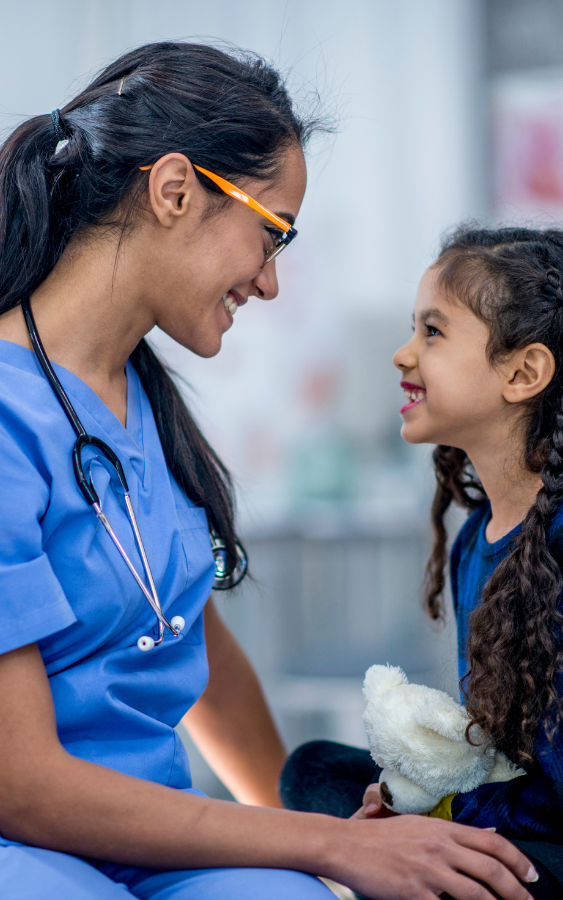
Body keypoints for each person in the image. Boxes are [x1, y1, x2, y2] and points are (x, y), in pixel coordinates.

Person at [0, 42, 535, 899]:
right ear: (174, 191)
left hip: (155, 837)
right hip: (28, 840)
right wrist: (322, 846)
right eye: (269, 232)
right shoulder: (7, 415)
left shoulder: (142, 398)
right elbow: (20, 782)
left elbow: (184, 633)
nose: (272, 281)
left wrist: (329, 846)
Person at [281, 226, 563, 899]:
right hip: (517, 809)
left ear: (521, 372)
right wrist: (407, 805)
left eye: (432, 333)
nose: (402, 354)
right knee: (312, 770)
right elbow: (495, 752)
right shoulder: (476, 540)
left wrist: (439, 821)